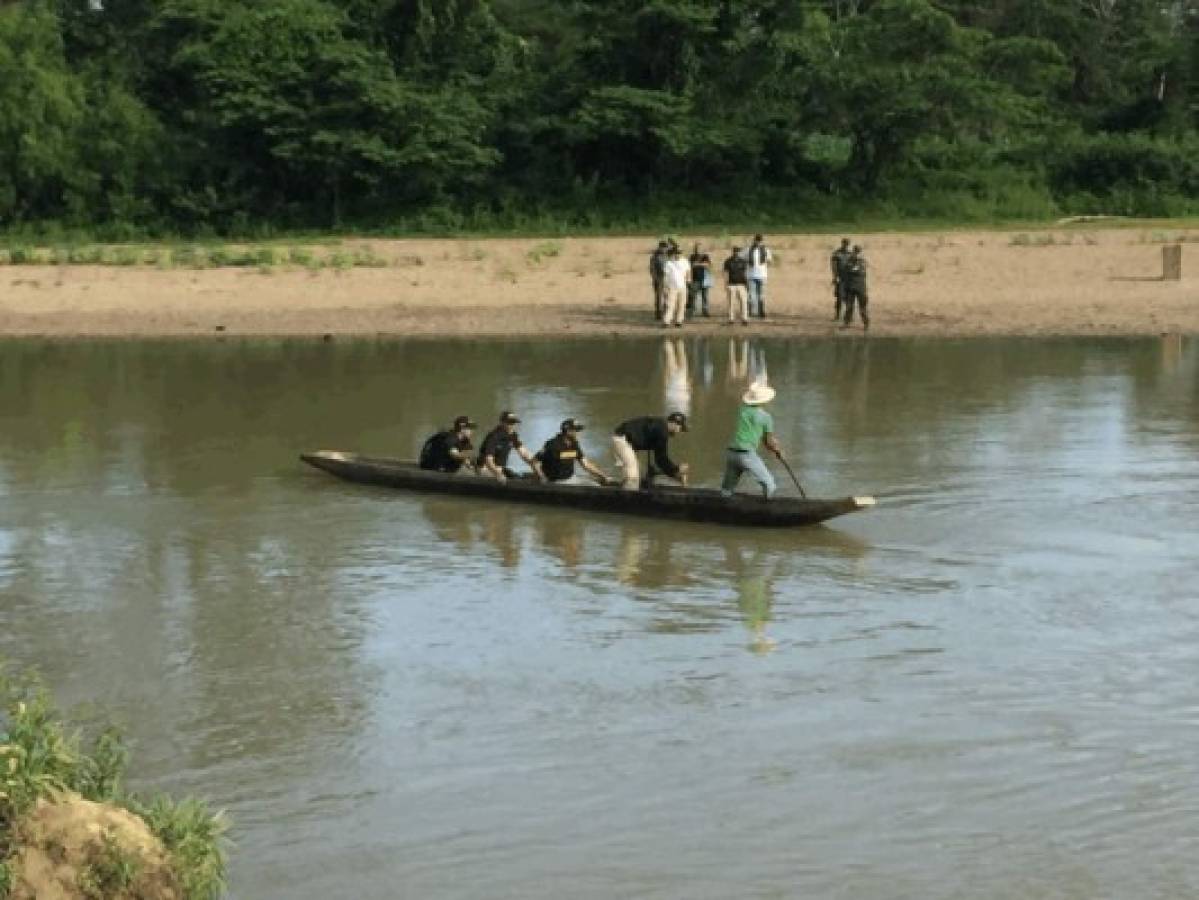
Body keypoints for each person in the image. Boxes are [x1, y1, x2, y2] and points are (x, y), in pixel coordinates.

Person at [721, 378, 781, 499]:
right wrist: (777, 450)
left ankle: (724, 503)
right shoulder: (766, 417)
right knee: (769, 485)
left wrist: (773, 447)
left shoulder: (742, 410)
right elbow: (768, 441)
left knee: (726, 490)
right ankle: (768, 509)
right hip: (746, 455)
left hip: (732, 453)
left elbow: (763, 439)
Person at [611, 412, 690, 491]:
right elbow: (661, 459)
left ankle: (628, 491)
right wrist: (676, 470)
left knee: (636, 475)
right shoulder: (662, 431)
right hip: (622, 439)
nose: (679, 432)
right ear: (674, 424)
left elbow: (659, 458)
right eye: (681, 428)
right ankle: (628, 499)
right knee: (632, 477)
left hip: (625, 441)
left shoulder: (659, 426)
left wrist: (674, 472)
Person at [534, 418, 614, 485]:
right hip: (557, 482)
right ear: (568, 431)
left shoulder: (574, 444)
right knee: (593, 487)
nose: (578, 433)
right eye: (576, 430)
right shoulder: (552, 444)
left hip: (571, 479)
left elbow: (586, 464)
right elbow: (535, 461)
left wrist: (603, 476)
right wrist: (542, 477)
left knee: (595, 484)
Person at [477, 410, 543, 484]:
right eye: (510, 423)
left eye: (514, 422)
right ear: (502, 422)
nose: (513, 425)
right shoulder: (494, 436)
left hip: (500, 469)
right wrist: (497, 474)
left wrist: (535, 466)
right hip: (486, 470)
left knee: (517, 476)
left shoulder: (512, 435)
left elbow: (524, 453)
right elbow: (488, 460)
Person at [660, 244, 691, 328]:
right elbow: (665, 276)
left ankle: (679, 321)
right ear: (674, 253)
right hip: (672, 287)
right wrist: (665, 287)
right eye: (677, 252)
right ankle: (666, 321)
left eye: (680, 252)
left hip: (682, 286)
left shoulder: (685, 261)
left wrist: (688, 280)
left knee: (681, 305)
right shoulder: (669, 263)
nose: (678, 254)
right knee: (670, 305)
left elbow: (688, 271)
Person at [842, 244, 870, 331]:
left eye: (858, 252)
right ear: (853, 252)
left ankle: (866, 324)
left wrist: (854, 269)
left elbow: (858, 270)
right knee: (849, 307)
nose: (856, 254)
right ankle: (846, 323)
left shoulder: (863, 262)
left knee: (863, 308)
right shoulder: (849, 261)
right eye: (855, 252)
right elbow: (848, 270)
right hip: (850, 288)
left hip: (860, 288)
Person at [723, 245, 750, 325]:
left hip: (741, 284)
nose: (736, 253)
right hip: (731, 284)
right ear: (733, 252)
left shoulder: (743, 261)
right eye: (735, 251)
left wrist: (747, 283)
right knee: (731, 302)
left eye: (738, 251)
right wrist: (725, 283)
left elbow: (746, 273)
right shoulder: (728, 261)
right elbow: (725, 273)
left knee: (743, 302)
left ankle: (744, 318)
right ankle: (731, 319)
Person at [746, 234, 771, 319]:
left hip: (762, 275)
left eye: (760, 240)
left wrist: (765, 268)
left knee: (761, 295)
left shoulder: (766, 250)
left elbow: (769, 261)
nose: (758, 242)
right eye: (757, 240)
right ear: (754, 240)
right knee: (751, 295)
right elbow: (742, 259)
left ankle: (761, 311)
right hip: (751, 275)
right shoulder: (748, 249)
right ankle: (750, 311)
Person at [687, 243, 713, 317]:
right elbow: (690, 265)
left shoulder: (705, 256)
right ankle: (691, 311)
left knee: (705, 296)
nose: (698, 249)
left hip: (705, 279)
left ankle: (705, 311)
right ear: (694, 249)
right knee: (693, 296)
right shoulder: (692, 256)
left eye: (699, 248)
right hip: (694, 279)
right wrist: (701, 264)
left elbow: (708, 265)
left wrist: (698, 264)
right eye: (696, 248)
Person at [830, 237, 852, 321]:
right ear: (842, 243)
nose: (846, 245)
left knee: (848, 298)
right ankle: (837, 315)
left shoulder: (851, 254)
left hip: (849, 279)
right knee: (839, 298)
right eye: (845, 243)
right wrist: (835, 277)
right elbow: (833, 267)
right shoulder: (837, 254)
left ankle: (848, 316)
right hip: (841, 279)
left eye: (847, 244)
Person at [649, 240, 669, 320]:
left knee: (667, 297)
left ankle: (666, 312)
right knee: (659, 297)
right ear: (660, 247)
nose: (664, 249)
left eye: (665, 247)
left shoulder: (668, 256)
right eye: (663, 247)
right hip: (659, 279)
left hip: (668, 279)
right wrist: (655, 279)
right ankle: (658, 313)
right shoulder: (655, 257)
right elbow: (652, 269)